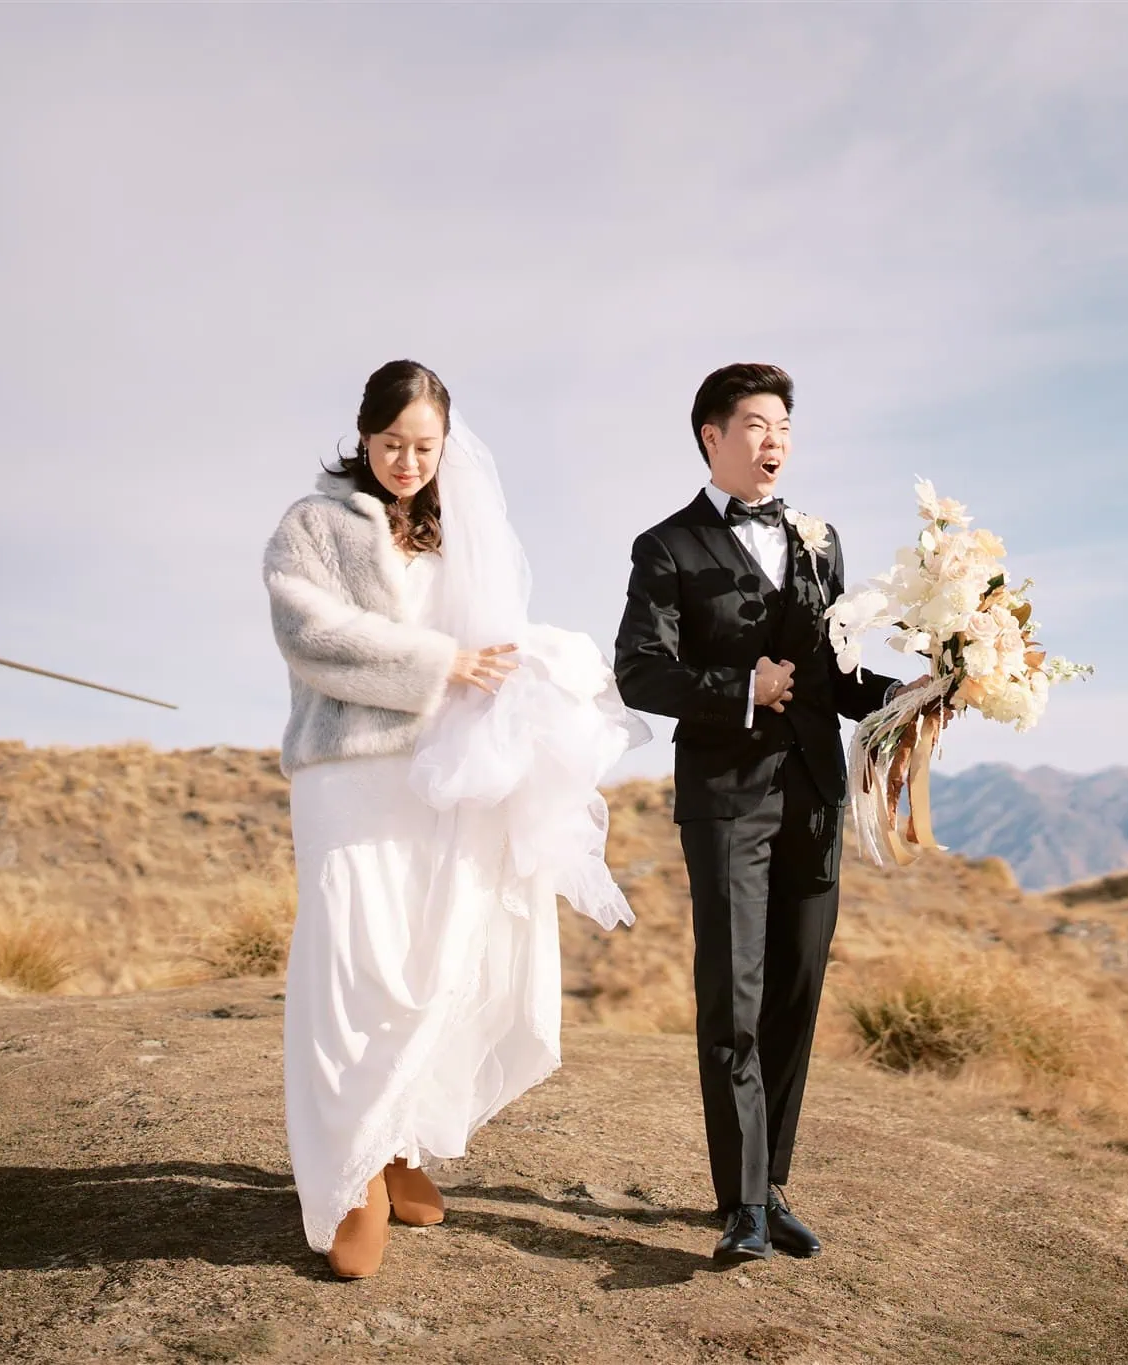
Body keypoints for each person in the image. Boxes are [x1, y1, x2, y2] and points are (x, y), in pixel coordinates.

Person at [264, 359, 646, 1279]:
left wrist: (540, 671)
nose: (407, 461)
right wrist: (441, 662)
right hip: (346, 776)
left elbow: (496, 640)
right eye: (391, 443)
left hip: (442, 779)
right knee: (352, 968)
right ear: (363, 436)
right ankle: (348, 1176)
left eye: (424, 446)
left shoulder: (457, 531)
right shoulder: (311, 524)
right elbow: (308, 633)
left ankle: (401, 1144)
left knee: (434, 960)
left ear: (445, 445)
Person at [612, 363, 916, 1264]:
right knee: (734, 998)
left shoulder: (823, 545)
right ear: (712, 436)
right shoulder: (665, 547)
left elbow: (840, 673)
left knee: (795, 989)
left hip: (817, 795)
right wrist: (740, 687)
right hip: (727, 801)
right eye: (754, 423)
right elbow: (640, 670)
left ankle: (772, 1183)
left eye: (783, 424)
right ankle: (739, 1203)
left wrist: (918, 693)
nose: (773, 440)